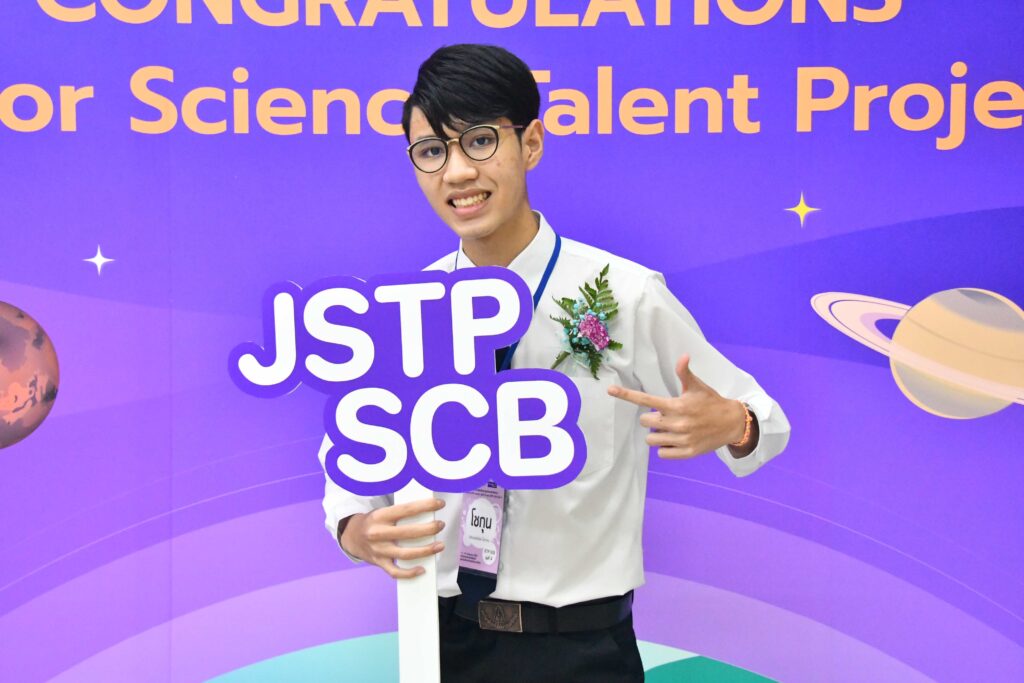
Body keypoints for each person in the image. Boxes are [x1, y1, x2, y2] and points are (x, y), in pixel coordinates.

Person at [317, 43, 791, 682]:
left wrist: (734, 423)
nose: (457, 172)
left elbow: (764, 419)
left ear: (531, 143)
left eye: (479, 141)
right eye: (431, 151)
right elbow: (350, 462)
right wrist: (354, 528)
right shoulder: (407, 311)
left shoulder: (624, 293)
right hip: (443, 647)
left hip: (582, 651)